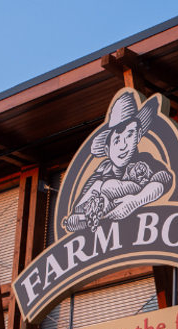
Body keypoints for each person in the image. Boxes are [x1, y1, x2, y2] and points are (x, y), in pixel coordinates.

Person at [66, 92, 172, 232]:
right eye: (116, 140)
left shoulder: (144, 161)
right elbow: (77, 213)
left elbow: (163, 179)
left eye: (130, 135)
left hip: (143, 229)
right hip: (111, 237)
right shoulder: (99, 175)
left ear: (138, 136)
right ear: (107, 148)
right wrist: (83, 217)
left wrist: (135, 201)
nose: (123, 145)